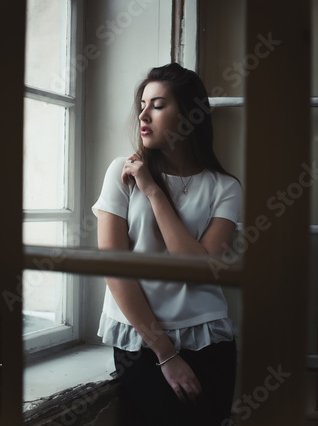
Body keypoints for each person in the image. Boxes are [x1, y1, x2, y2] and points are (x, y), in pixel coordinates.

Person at [92, 63, 242, 426]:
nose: (142, 114)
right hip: (142, 343)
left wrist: (153, 192)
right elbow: (115, 269)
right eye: (142, 104)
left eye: (157, 105)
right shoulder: (121, 171)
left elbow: (198, 268)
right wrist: (165, 354)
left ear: (191, 114)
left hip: (209, 338)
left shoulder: (225, 188)